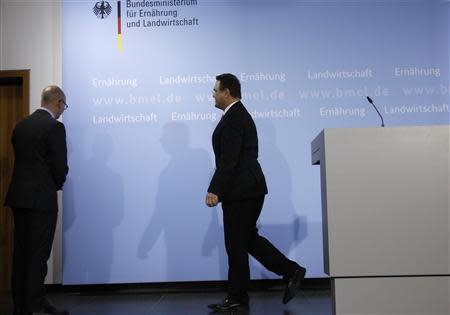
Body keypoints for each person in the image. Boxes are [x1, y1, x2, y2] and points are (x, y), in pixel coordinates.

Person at [205, 73, 306, 312]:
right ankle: (291, 271)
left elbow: (229, 160)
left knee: (236, 244)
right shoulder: (236, 116)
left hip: (242, 190)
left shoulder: (234, 118)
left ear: (227, 92)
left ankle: (238, 297)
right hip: (246, 189)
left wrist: (215, 189)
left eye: (215, 90)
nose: (213, 94)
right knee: (246, 240)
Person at [4, 86, 69, 315]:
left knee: (21, 254)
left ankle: (22, 306)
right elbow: (60, 167)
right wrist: (56, 185)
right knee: (38, 255)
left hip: (18, 198)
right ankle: (35, 306)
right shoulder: (54, 127)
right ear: (58, 102)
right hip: (41, 200)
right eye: (64, 106)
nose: (63, 111)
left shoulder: (21, 125)